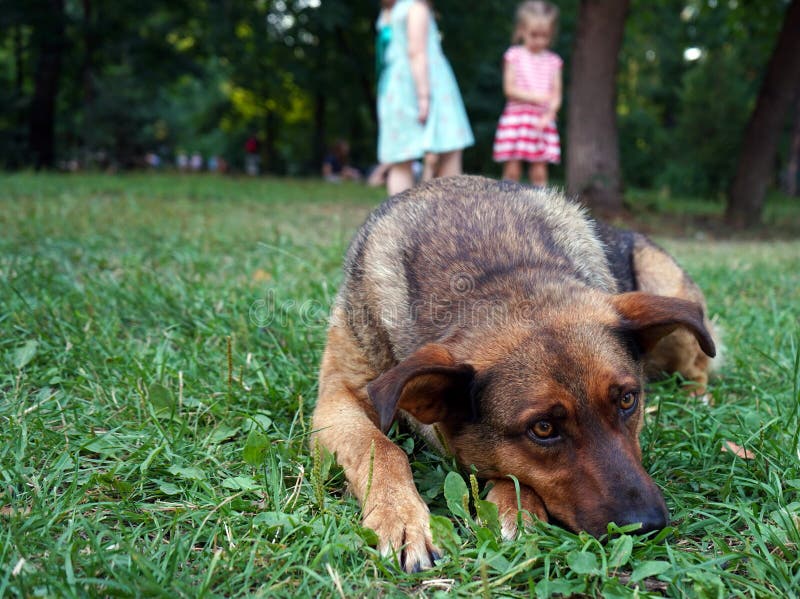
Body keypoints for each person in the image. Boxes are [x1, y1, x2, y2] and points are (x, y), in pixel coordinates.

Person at [377, 0, 474, 195]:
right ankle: (450, 212)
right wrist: (424, 96)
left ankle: (399, 222)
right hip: (425, 87)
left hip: (395, 90)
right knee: (450, 150)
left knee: (401, 161)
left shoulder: (391, 12)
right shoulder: (416, 9)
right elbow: (417, 53)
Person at [492, 1, 562, 186]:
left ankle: (542, 211)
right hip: (517, 119)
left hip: (541, 122)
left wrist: (549, 114)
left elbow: (556, 95)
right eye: (534, 35)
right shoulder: (514, 55)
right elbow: (509, 89)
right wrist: (537, 97)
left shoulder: (553, 61)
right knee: (512, 171)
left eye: (545, 36)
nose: (539, 41)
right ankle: (505, 207)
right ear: (522, 29)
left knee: (539, 172)